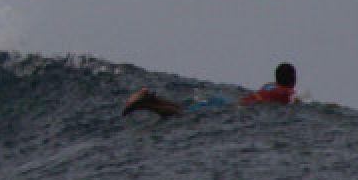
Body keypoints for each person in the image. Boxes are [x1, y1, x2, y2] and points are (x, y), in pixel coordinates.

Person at [122, 63, 298, 117]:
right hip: (230, 108)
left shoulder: (269, 85)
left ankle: (150, 98)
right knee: (181, 114)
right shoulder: (286, 92)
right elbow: (297, 101)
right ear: (292, 79)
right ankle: (144, 103)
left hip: (227, 102)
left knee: (182, 110)